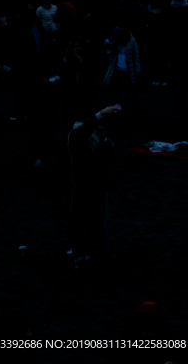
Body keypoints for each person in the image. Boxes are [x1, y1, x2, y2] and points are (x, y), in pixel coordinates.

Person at [67, 104, 120, 268]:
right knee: (81, 222)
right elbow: (80, 134)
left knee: (94, 222)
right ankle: (81, 256)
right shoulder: (76, 135)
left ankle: (91, 254)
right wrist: (98, 115)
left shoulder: (92, 135)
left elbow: (111, 158)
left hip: (96, 185)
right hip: (84, 185)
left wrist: (104, 139)